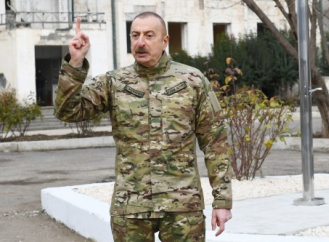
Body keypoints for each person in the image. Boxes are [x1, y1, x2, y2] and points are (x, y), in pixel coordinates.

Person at [54, 12, 233, 241]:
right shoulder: (114, 83)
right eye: (135, 35)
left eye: (149, 35)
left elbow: (215, 143)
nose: (141, 42)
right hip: (130, 206)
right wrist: (76, 62)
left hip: (181, 206)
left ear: (165, 41)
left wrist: (222, 201)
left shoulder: (192, 81)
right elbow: (67, 112)